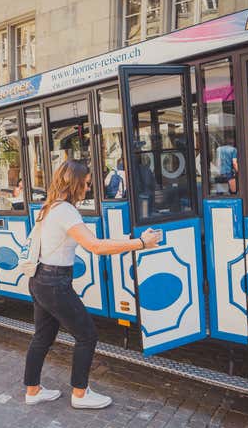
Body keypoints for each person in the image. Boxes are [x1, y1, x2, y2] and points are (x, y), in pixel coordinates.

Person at [23, 160, 161, 409]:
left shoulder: (50, 206)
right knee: (87, 335)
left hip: (40, 279)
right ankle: (80, 394)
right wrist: (141, 243)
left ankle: (33, 390)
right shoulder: (66, 211)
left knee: (42, 337)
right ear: (74, 183)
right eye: (86, 184)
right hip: (54, 283)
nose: (88, 189)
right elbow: (95, 246)